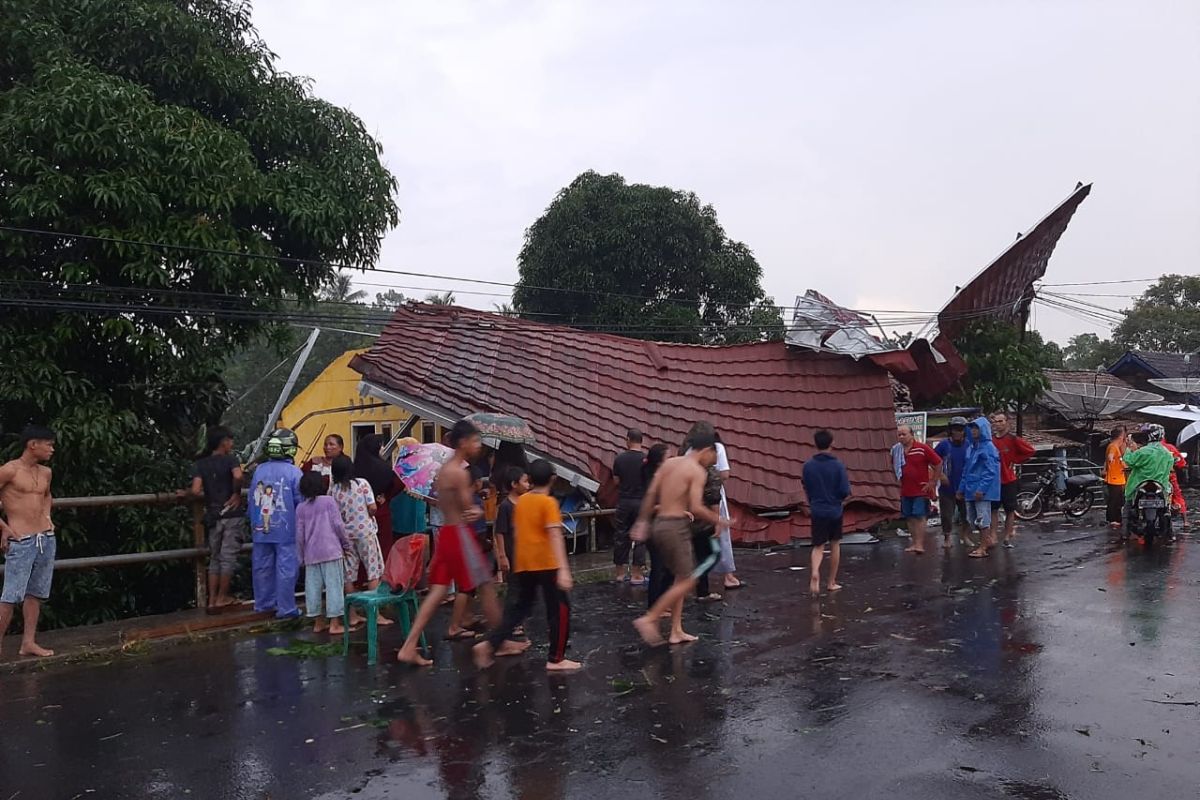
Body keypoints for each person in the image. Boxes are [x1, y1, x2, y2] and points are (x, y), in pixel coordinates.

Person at [397, 420, 513, 666]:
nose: (478, 446)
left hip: (449, 533)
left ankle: (409, 645)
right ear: (463, 443)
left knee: (438, 591)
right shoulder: (459, 472)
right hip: (461, 534)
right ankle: (499, 642)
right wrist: (477, 510)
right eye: (475, 441)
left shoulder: (444, 470)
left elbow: (445, 503)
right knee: (485, 585)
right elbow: (468, 508)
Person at [474, 460, 582, 671]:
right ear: (553, 479)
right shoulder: (548, 503)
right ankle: (556, 658)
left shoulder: (522, 501)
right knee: (559, 609)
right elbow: (554, 535)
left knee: (519, 610)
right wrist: (564, 569)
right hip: (547, 562)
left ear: (530, 480)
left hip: (524, 564)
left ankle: (490, 643)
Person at [630, 427, 724, 646]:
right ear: (707, 450)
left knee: (679, 578)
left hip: (659, 525)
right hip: (676, 527)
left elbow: (651, 494)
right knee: (689, 578)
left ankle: (676, 630)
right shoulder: (697, 471)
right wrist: (719, 520)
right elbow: (696, 507)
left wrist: (642, 522)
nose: (714, 460)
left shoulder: (670, 463)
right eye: (715, 454)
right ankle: (650, 618)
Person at [0, 425, 58, 658]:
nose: (52, 449)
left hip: (45, 537)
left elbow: (47, 496)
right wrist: (4, 528)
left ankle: (28, 642)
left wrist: (47, 517)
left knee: (36, 593)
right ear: (33, 444)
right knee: (10, 596)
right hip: (21, 538)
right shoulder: (9, 470)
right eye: (48, 444)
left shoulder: (46, 472)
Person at [185, 426, 244, 612]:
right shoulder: (230, 460)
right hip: (231, 514)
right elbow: (238, 475)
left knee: (215, 558)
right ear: (223, 442)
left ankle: (211, 600)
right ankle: (222, 597)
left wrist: (183, 493)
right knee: (228, 558)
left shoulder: (200, 464)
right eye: (230, 440)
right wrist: (236, 493)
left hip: (213, 514)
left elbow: (195, 491)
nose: (232, 444)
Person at [248, 429, 303, 618]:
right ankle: (286, 608)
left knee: (261, 567)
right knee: (286, 568)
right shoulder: (295, 472)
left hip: (261, 527)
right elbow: (301, 502)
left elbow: (251, 499)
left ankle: (263, 605)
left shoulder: (259, 470)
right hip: (287, 529)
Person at [329, 454, 388, 627]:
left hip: (346, 535)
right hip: (366, 533)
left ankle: (352, 614)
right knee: (373, 572)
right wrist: (378, 504)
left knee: (349, 575)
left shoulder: (334, 489)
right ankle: (375, 614)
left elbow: (333, 513)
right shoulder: (362, 484)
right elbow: (372, 508)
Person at [296, 470, 352, 634]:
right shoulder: (328, 501)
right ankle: (335, 623)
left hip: (311, 554)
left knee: (313, 588)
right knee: (334, 586)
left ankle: (318, 622)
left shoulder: (301, 508)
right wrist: (346, 545)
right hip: (331, 551)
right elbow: (338, 525)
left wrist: (300, 556)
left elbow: (299, 535)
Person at [801, 429, 851, 594]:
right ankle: (831, 582)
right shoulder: (838, 465)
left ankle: (815, 572)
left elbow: (806, 486)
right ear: (832, 443)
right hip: (835, 509)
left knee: (818, 545)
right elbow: (844, 489)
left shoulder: (808, 466)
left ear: (815, 444)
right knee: (835, 544)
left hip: (817, 509)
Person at [988, 412, 1035, 549]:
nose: (998, 424)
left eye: (1001, 421)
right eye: (996, 421)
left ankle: (1007, 536)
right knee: (994, 510)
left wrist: (1015, 460)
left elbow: (1030, 451)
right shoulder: (991, 440)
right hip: (994, 481)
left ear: (1007, 422)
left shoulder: (1013, 439)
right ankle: (993, 535)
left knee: (1010, 510)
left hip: (1008, 480)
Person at [893, 425, 943, 555]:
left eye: (904, 434)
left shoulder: (922, 448)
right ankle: (914, 543)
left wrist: (933, 481)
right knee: (909, 516)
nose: (902, 437)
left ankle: (920, 544)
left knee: (920, 515)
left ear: (912, 434)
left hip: (921, 489)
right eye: (899, 435)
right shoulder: (896, 450)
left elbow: (938, 463)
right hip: (905, 489)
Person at [959, 417, 1002, 558]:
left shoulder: (988, 447)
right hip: (971, 489)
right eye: (972, 428)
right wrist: (961, 489)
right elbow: (966, 470)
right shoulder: (972, 447)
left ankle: (983, 547)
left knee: (983, 519)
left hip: (981, 491)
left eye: (976, 428)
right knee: (972, 519)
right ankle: (986, 541)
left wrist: (982, 489)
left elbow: (991, 471)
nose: (973, 431)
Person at [355, 432, 402, 559]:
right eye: (380, 445)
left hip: (359, 513)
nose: (382, 449)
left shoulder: (355, 467)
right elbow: (398, 483)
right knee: (382, 547)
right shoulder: (384, 468)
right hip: (381, 509)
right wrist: (387, 496)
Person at [611, 429, 648, 585]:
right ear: (641, 441)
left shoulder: (620, 459)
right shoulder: (647, 460)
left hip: (624, 501)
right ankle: (637, 574)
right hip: (641, 501)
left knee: (621, 536)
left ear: (628, 440)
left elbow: (616, 481)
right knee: (640, 537)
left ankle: (620, 573)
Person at [1122, 426, 1177, 528]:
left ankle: (1124, 532)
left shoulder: (1143, 451)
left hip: (1138, 485)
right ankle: (1170, 532)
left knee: (1128, 506)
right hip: (1161, 486)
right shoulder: (1167, 453)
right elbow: (1171, 467)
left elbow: (1129, 461)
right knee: (1166, 509)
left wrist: (1129, 449)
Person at [933, 417, 971, 548]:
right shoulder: (943, 445)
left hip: (965, 486)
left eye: (960, 430)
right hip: (947, 487)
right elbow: (933, 461)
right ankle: (947, 538)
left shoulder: (969, 445)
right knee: (946, 515)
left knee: (966, 514)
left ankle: (965, 536)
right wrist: (941, 475)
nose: (957, 432)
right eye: (955, 430)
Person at [1104, 426, 1127, 531]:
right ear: (1121, 435)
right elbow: (1110, 456)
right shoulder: (1113, 446)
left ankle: (1115, 518)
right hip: (1114, 478)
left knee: (1118, 499)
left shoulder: (1116, 446)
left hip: (1118, 477)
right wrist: (1111, 460)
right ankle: (1113, 519)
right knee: (1114, 500)